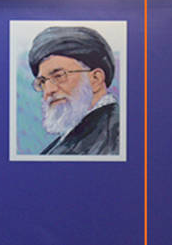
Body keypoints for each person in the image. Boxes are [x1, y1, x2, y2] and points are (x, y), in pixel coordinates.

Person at [28, 25, 120, 156]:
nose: (48, 91)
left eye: (59, 76)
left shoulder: (114, 135)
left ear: (96, 79)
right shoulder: (70, 138)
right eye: (42, 82)